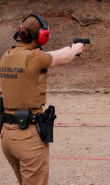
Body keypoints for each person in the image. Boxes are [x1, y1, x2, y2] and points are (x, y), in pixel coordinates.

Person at [0, 14, 85, 185]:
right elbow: (64, 58)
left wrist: (70, 46)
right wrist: (75, 49)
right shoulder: (35, 58)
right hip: (28, 136)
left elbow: (47, 54)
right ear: (42, 36)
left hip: (7, 135)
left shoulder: (8, 55)